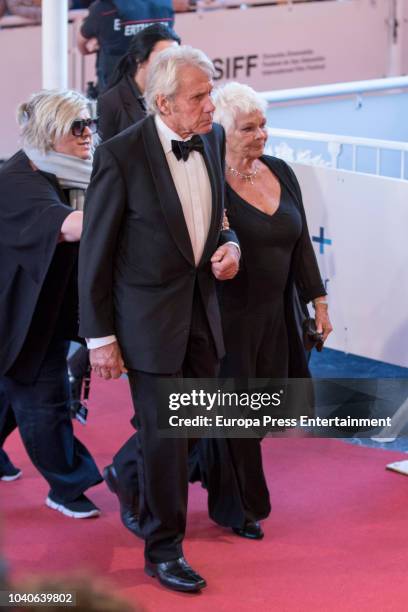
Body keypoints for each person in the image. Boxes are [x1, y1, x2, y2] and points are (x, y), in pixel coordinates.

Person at [78, 45, 240, 592]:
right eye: (199, 97)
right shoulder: (121, 156)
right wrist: (100, 338)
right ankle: (164, 548)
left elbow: (218, 218)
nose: (210, 106)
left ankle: (129, 472)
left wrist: (231, 244)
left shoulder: (213, 139)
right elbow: (95, 254)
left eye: (210, 94)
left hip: (203, 316)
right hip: (146, 324)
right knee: (168, 438)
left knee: (191, 427)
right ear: (164, 104)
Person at [209, 81, 333, 537]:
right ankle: (242, 508)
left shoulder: (280, 170)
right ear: (223, 132)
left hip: (279, 314)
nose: (261, 135)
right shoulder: (210, 181)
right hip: (229, 317)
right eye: (248, 128)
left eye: (263, 125)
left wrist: (317, 301)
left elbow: (301, 245)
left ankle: (161, 466)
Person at [0, 90, 102, 518]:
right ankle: (67, 484)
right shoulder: (19, 179)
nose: (87, 135)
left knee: (11, 389)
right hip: (20, 317)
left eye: (89, 124)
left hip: (49, 308)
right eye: (76, 126)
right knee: (44, 398)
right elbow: (71, 227)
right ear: (48, 133)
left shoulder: (79, 174)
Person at [77, 0, 191, 92]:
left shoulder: (104, 7)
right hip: (157, 82)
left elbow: (82, 41)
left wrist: (88, 50)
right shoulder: (166, 4)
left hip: (115, 82)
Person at [98, 23, 180, 141]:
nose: (171, 65)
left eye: (176, 58)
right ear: (139, 59)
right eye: (164, 57)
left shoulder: (176, 95)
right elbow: (102, 155)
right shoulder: (110, 102)